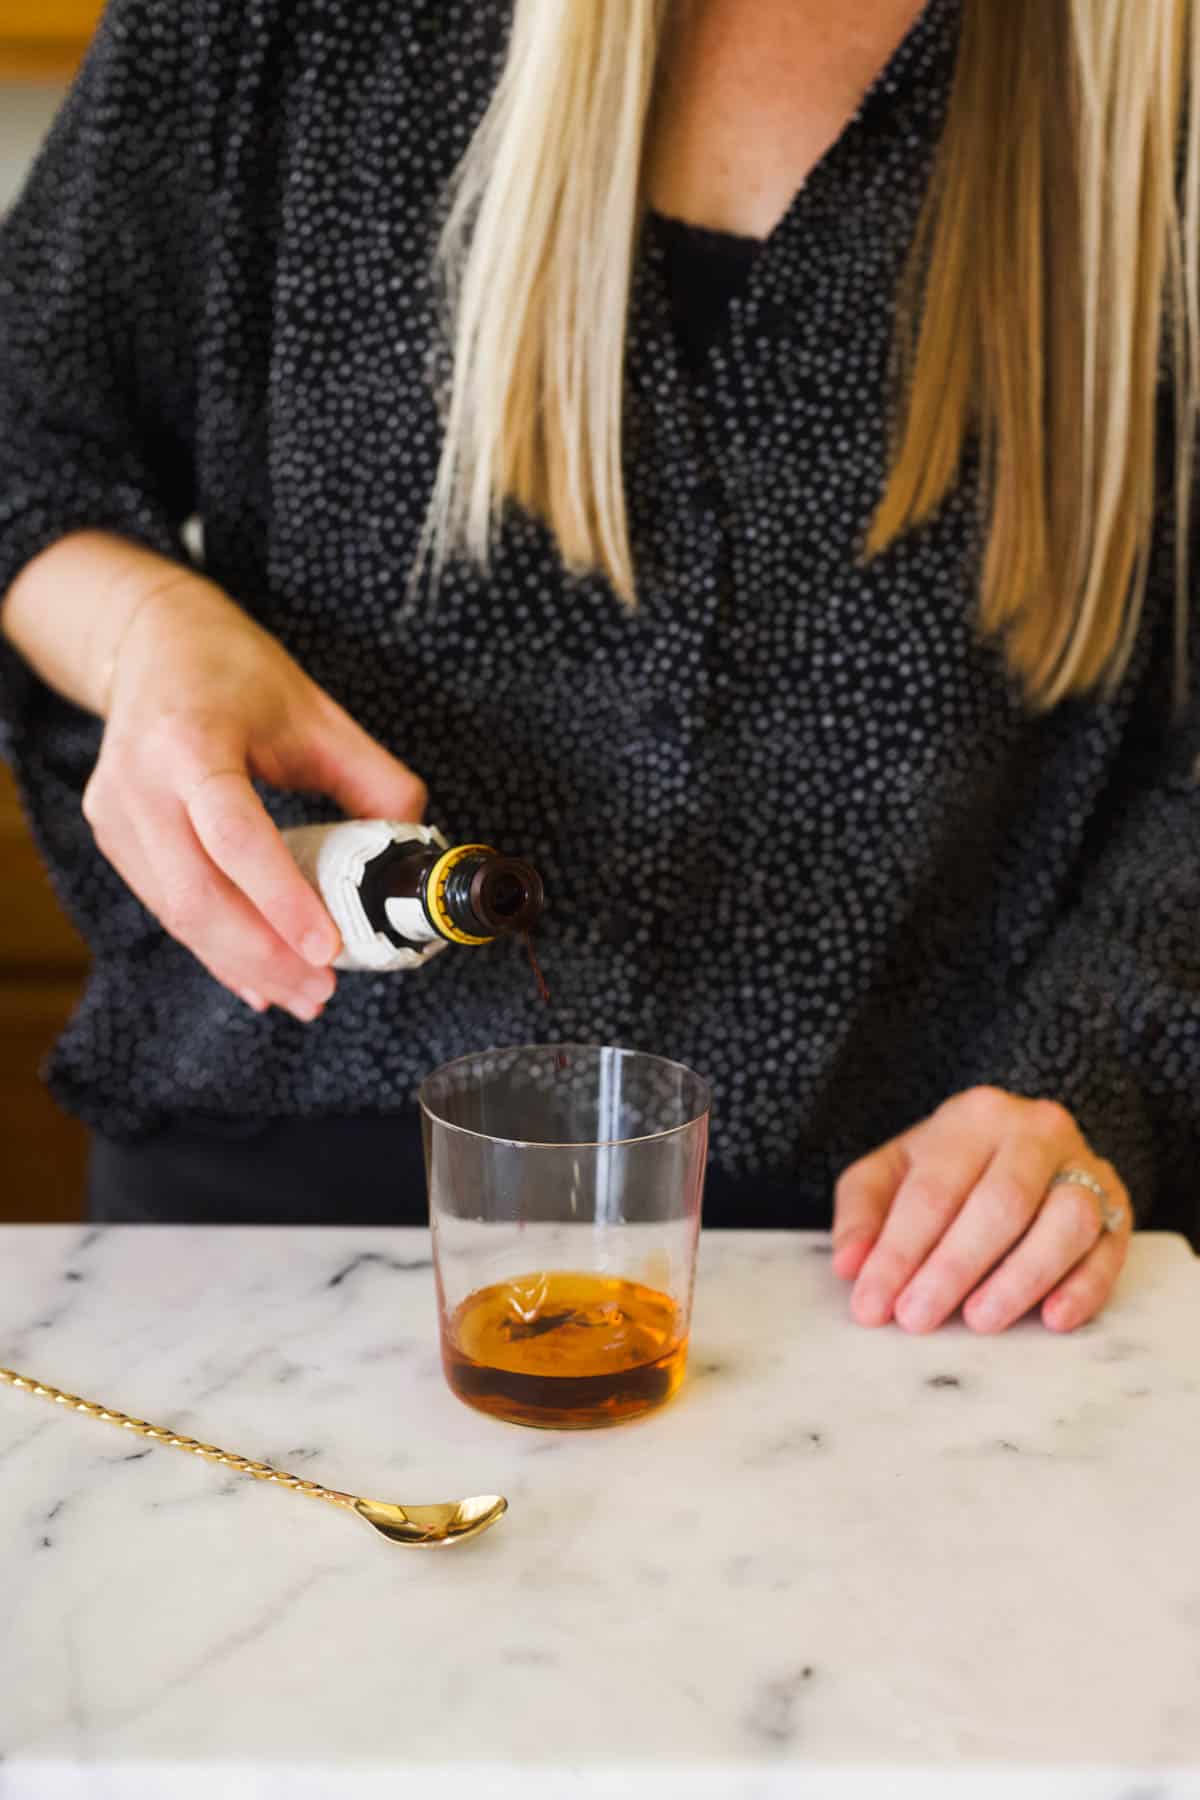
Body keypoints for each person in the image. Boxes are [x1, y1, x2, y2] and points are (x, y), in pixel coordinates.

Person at [0, 0, 1197, 1336]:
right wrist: (148, 631)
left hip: (901, 1282)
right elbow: (26, 435)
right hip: (266, 1247)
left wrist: (1088, 1084)